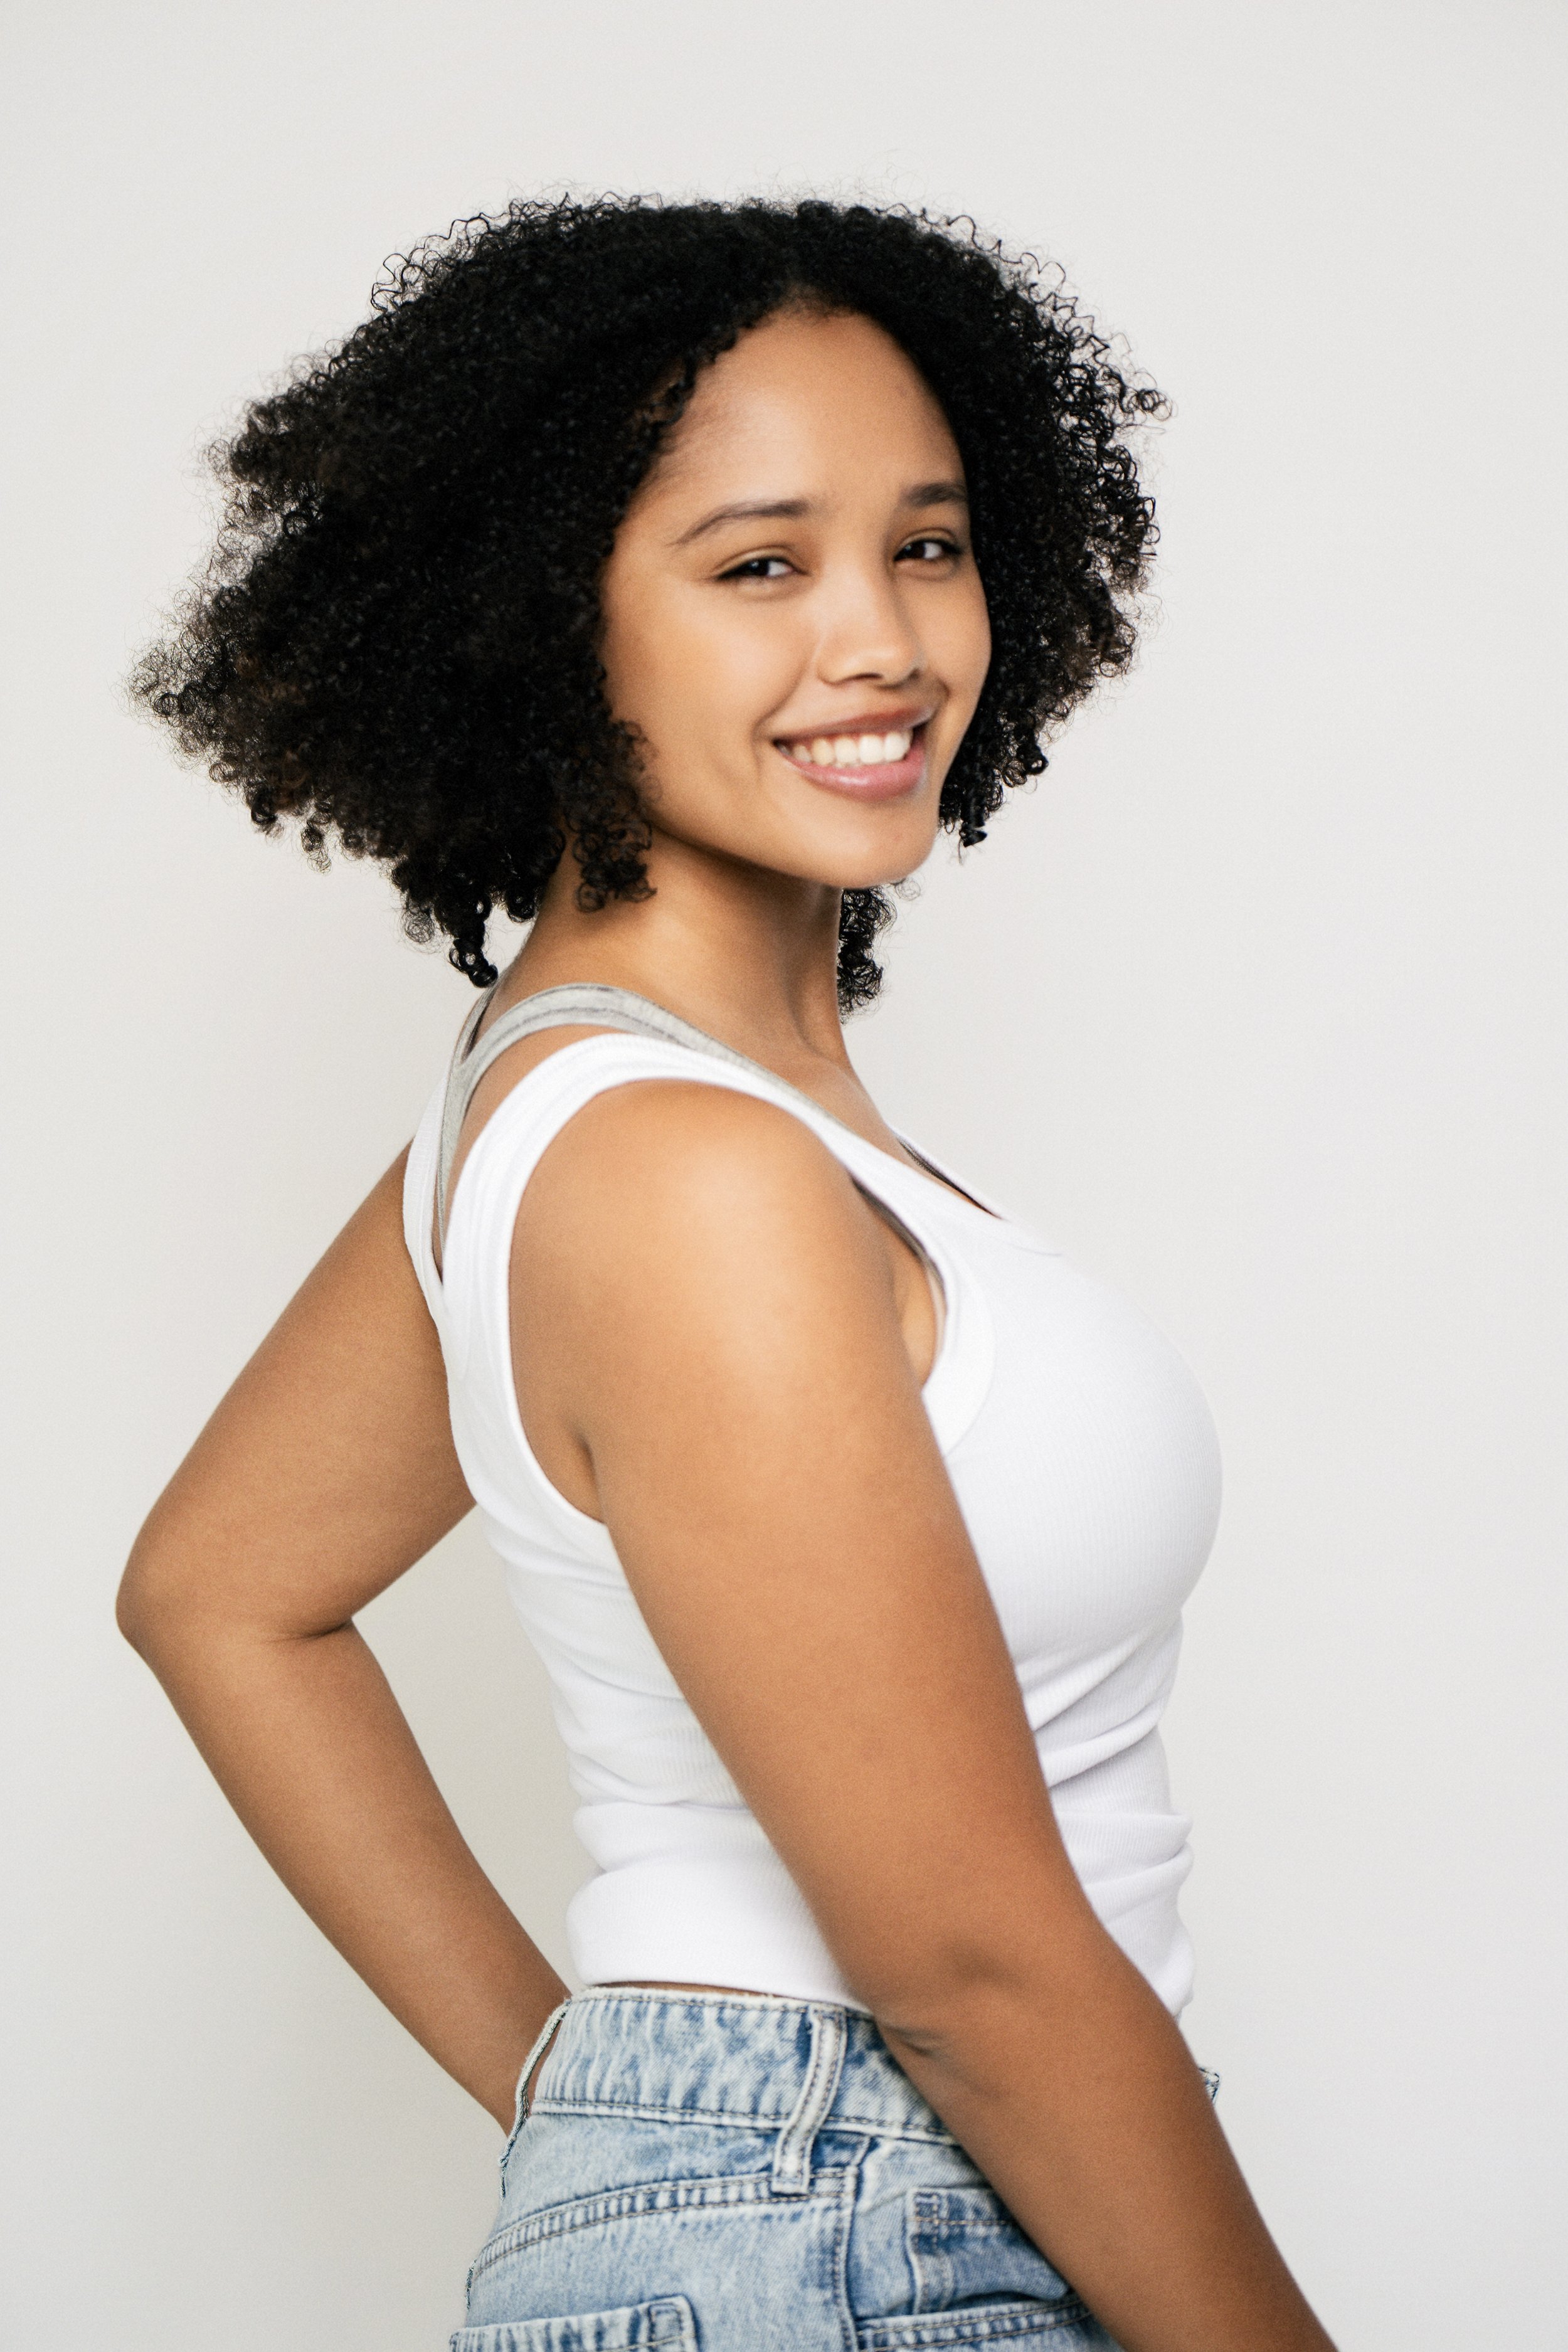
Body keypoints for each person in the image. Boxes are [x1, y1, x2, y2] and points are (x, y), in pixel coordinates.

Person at [120, 196, 1335, 2351]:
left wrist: (612, 2122)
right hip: (874, 2228)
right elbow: (962, 1972)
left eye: (929, 544)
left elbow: (222, 1588)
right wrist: (644, 2115)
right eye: (759, 563)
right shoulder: (676, 1169)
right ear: (539, 624)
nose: (877, 640)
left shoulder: (580, 1113)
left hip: (821, 2222)